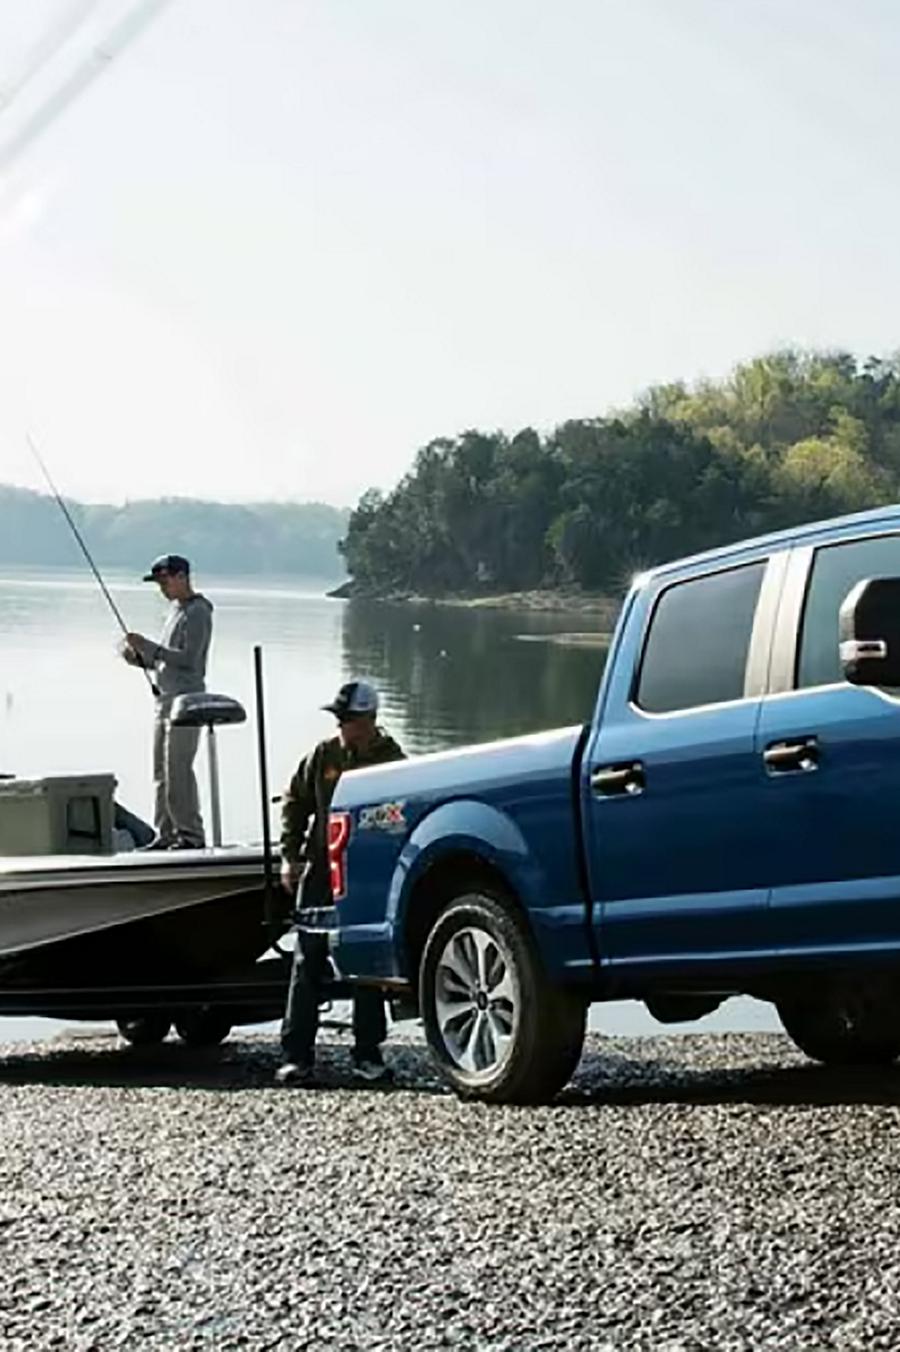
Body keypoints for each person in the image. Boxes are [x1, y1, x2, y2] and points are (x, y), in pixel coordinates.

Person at [277, 679, 405, 1086]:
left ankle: (367, 1054)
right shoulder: (323, 755)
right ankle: (297, 1056)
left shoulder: (394, 760)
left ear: (369, 721)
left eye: (349, 719)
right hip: (319, 871)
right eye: (340, 719)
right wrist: (290, 855)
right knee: (307, 958)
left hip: (366, 875)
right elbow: (295, 802)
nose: (343, 726)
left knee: (365, 963)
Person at [120, 554, 214, 850]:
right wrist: (139, 658)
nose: (162, 588)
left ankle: (190, 836)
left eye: (165, 580)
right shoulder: (176, 610)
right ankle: (166, 834)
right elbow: (166, 660)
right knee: (160, 774)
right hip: (164, 703)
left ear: (182, 577)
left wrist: (150, 647)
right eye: (159, 582)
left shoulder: (198, 611)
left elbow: (189, 659)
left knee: (178, 771)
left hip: (186, 703)